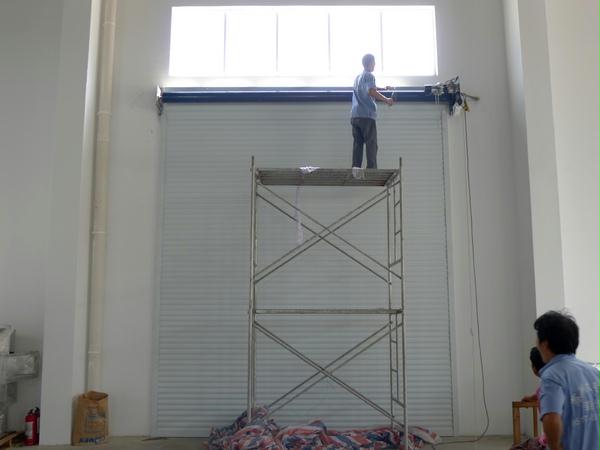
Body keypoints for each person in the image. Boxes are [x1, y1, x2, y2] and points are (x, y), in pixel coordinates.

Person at [534, 310, 600, 450]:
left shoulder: (552, 375)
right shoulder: (593, 372)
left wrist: (555, 447)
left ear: (545, 344)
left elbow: (551, 417)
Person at [350, 53, 393, 169]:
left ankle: (356, 169)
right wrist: (386, 100)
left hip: (355, 116)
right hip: (366, 116)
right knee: (371, 144)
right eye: (374, 62)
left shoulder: (358, 77)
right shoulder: (370, 76)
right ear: (371, 63)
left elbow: (368, 88)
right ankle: (372, 170)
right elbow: (370, 91)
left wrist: (382, 88)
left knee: (358, 144)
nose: (375, 65)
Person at [511, 347, 547, 450]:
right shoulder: (545, 386)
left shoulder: (547, 386)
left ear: (534, 368)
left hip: (551, 442)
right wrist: (531, 397)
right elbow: (540, 393)